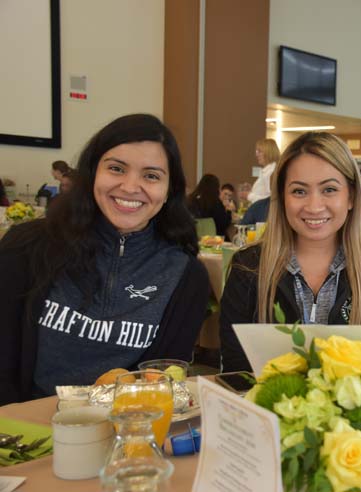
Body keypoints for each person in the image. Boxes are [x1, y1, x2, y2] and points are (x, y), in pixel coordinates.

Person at [0, 114, 209, 404]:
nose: (130, 186)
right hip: (26, 435)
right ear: (92, 172)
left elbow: (161, 381)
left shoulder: (185, 277)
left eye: (151, 175)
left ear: (169, 189)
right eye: (116, 168)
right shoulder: (26, 247)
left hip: (126, 434)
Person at [220, 132, 361, 372]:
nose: (314, 206)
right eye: (299, 191)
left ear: (351, 197)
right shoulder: (247, 267)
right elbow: (236, 370)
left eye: (329, 190)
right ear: (282, 198)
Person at [247, 138, 280, 203]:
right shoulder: (267, 170)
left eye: (259, 151)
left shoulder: (271, 172)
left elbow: (270, 199)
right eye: (256, 151)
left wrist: (249, 195)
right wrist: (252, 190)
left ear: (268, 152)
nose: (256, 155)